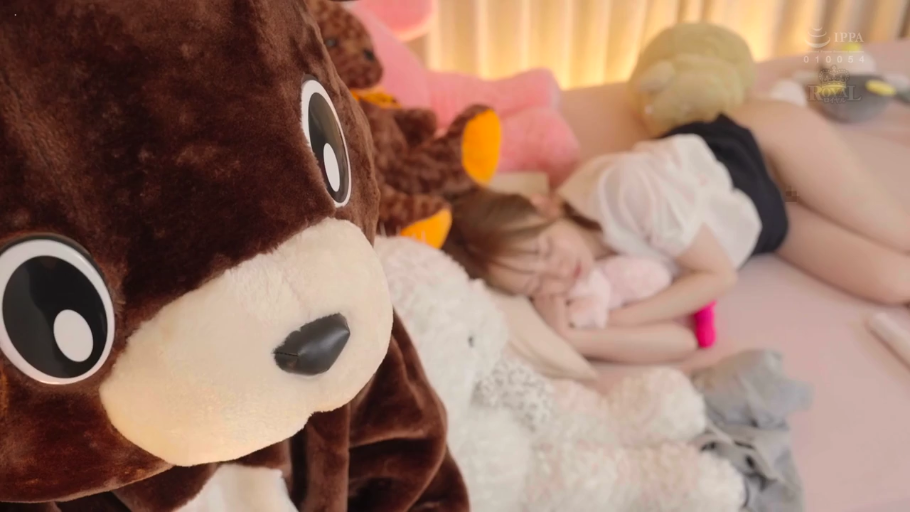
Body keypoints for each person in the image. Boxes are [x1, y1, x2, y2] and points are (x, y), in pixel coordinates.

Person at [442, 99, 910, 364]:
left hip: (759, 150)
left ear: (541, 205)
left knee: (900, 233)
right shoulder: (578, 288)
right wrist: (578, 337)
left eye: (544, 249)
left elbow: (719, 277)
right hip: (765, 222)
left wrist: (623, 318)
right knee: (896, 284)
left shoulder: (621, 189)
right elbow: (683, 342)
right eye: (533, 283)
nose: (558, 273)